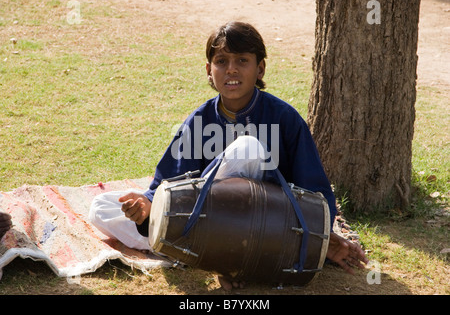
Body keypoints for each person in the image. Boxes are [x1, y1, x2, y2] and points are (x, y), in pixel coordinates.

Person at [89, 21, 368, 290]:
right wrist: (146, 207)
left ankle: (201, 253)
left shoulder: (284, 119)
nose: (231, 70)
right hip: (205, 223)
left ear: (260, 69)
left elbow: (315, 191)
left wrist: (321, 237)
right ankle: (209, 255)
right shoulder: (200, 119)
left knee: (248, 148)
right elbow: (168, 184)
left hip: (267, 228)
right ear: (209, 70)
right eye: (221, 61)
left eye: (242, 61)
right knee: (101, 207)